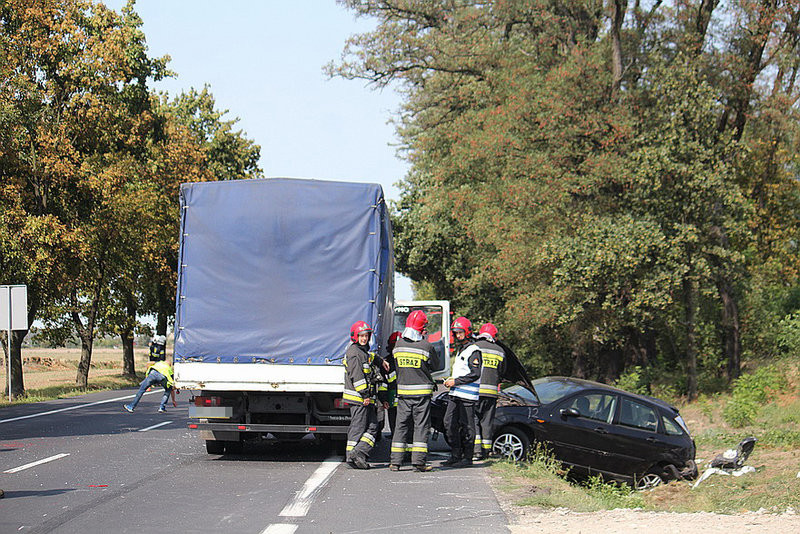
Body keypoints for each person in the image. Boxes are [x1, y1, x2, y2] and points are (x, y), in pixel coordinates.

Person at [390, 310, 438, 472]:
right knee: (421, 427)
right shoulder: (426, 346)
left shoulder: (398, 345)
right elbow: (435, 366)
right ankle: (418, 462)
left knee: (401, 426)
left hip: (403, 394)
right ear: (422, 329)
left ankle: (395, 462)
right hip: (422, 395)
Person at [342, 321, 386, 469]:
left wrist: (381, 361)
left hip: (364, 399)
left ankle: (358, 453)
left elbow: (370, 357)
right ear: (355, 336)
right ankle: (352, 456)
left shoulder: (363, 352)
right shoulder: (354, 353)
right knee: (358, 428)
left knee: (373, 426)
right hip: (359, 399)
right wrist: (365, 395)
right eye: (361, 336)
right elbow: (357, 376)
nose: (364, 338)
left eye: (366, 335)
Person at [442, 316, 482, 467]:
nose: (458, 335)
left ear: (467, 332)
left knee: (468, 427)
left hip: (467, 396)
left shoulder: (474, 350)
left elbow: (475, 374)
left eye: (460, 332)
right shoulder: (461, 350)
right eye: (455, 333)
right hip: (455, 393)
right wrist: (450, 380)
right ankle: (455, 454)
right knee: (448, 423)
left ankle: (468, 457)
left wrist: (456, 381)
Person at [473, 322, 507, 460]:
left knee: (474, 419)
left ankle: (475, 451)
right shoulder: (500, 351)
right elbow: (502, 372)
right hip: (491, 392)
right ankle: (486, 451)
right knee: (487, 421)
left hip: (476, 391)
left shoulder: (475, 347)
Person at [376, 331, 400, 439]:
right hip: (393, 403)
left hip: (406, 403)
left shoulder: (405, 360)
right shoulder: (386, 363)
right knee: (396, 431)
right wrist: (384, 399)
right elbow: (383, 384)